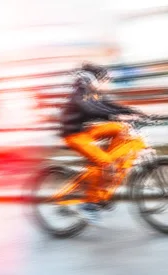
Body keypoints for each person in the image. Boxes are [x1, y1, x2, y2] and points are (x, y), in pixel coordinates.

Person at [59, 63, 148, 224]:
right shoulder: (79, 93)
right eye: (103, 79)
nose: (106, 82)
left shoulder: (92, 93)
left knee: (120, 129)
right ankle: (89, 205)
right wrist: (116, 115)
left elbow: (109, 105)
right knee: (104, 162)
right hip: (74, 135)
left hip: (86, 131)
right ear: (92, 78)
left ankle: (109, 165)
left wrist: (134, 113)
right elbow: (91, 109)